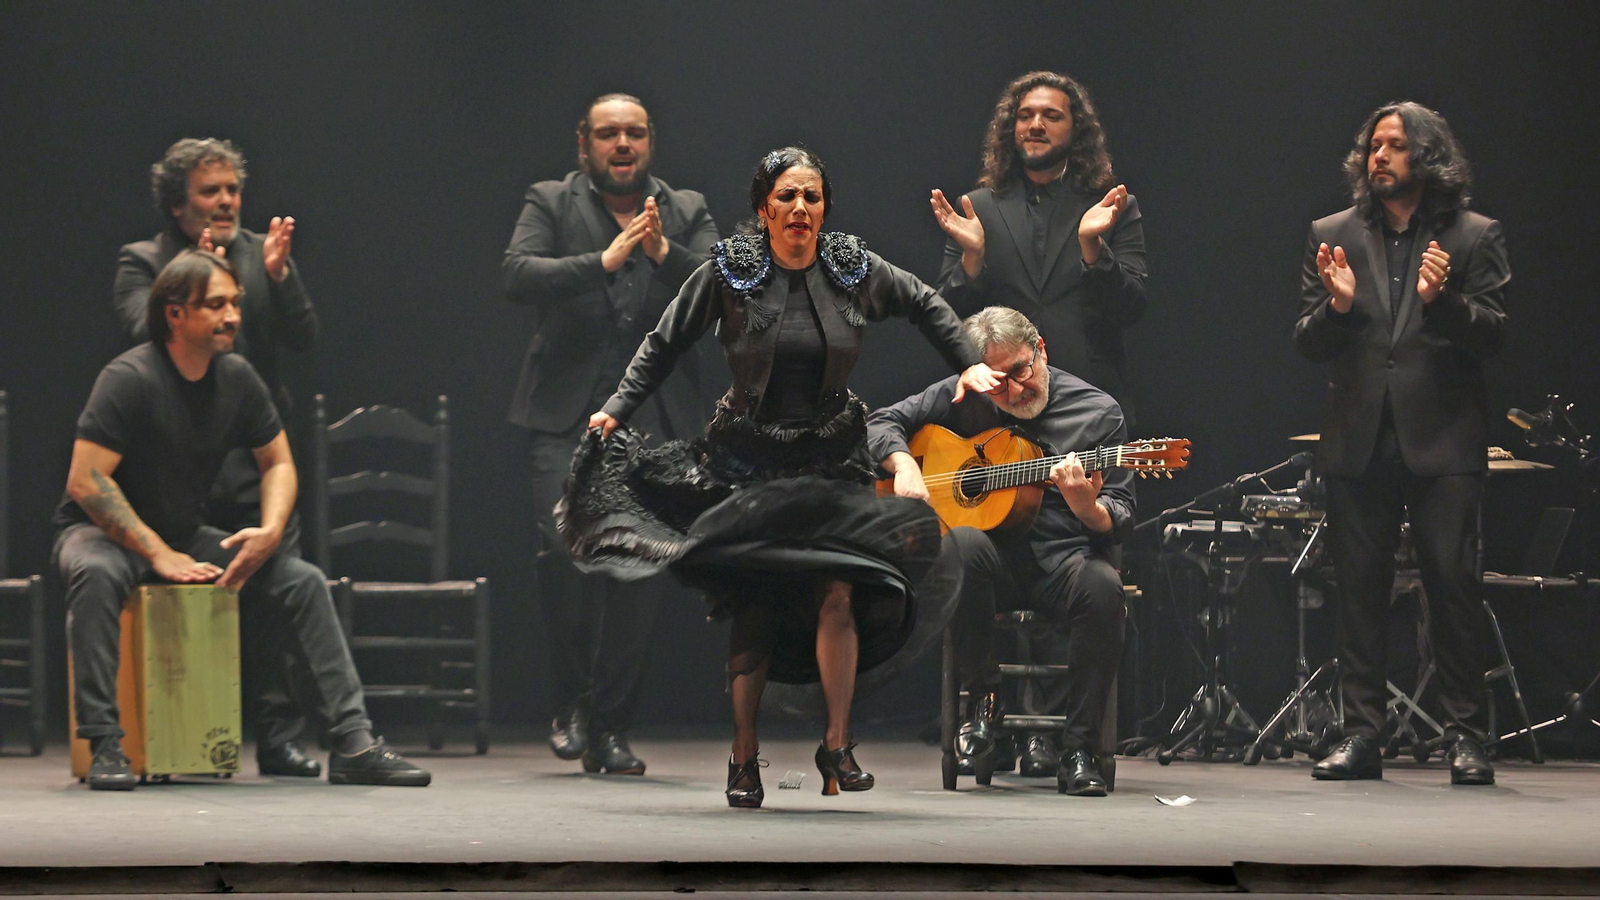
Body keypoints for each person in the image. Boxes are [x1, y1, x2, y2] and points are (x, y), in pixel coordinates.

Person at [558, 147, 1002, 808]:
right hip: (750, 463)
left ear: (825, 208)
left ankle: (837, 745)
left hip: (831, 460)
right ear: (764, 206)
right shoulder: (730, 272)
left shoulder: (853, 268)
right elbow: (663, 341)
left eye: (812, 198)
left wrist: (966, 362)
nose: (801, 209)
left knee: (838, 595)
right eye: (788, 197)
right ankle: (743, 757)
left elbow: (926, 304)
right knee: (758, 606)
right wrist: (616, 408)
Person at [55, 251, 429, 791]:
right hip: (98, 532)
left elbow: (277, 461)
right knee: (96, 573)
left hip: (183, 534)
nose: (232, 315)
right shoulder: (129, 378)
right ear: (175, 314)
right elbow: (86, 481)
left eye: (235, 303)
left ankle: (354, 741)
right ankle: (105, 743)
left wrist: (271, 531)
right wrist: (156, 552)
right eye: (216, 305)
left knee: (300, 581)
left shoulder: (236, 377)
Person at [503, 92, 719, 775]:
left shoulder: (685, 209)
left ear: (650, 141)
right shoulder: (551, 200)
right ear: (584, 144)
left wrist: (661, 253)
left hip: (655, 426)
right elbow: (517, 274)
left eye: (633, 133)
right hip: (564, 418)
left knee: (639, 570)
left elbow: (729, 287)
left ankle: (611, 727)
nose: (620, 144)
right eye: (607, 134)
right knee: (571, 553)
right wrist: (602, 262)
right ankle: (572, 699)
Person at [1294, 101, 1509, 786]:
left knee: (1452, 585)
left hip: (1443, 438)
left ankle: (1468, 736)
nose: (1377, 157)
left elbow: (1495, 335)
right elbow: (1306, 343)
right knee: (1360, 590)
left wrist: (1442, 301)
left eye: (1394, 146)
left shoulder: (1474, 235)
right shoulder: (1331, 234)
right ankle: (1362, 735)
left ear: (1427, 157)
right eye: (1372, 147)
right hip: (1360, 437)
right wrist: (1336, 308)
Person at [114, 137, 322, 778]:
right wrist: (193, 279)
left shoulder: (263, 253)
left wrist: (280, 279)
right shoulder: (145, 260)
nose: (227, 201)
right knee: (195, 590)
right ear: (179, 204)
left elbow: (305, 337)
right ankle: (191, 729)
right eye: (211, 191)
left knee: (273, 586)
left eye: (233, 189)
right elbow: (136, 332)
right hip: (175, 461)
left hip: (254, 454)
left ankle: (281, 736)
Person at [869, 306, 1133, 796]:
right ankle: (987, 704)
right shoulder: (965, 393)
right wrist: (904, 464)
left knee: (1104, 587)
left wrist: (1088, 508)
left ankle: (1078, 749)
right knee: (961, 546)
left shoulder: (1098, 412)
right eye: (998, 382)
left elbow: (1120, 512)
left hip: (1065, 560)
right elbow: (878, 423)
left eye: (1020, 371)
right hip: (993, 563)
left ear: (1041, 351)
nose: (1013, 391)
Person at [930, 71, 1146, 420]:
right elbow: (948, 323)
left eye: (1051, 115)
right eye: (1025, 115)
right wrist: (972, 259)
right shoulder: (976, 208)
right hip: (1001, 401)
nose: (1035, 124)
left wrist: (1092, 248)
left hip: (1090, 400)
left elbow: (1130, 310)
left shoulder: (1111, 206)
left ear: (1077, 129)